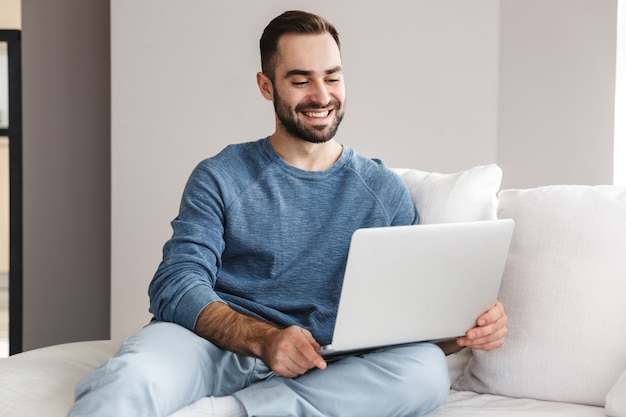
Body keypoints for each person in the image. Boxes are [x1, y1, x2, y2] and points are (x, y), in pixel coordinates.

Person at [68, 10, 508, 417]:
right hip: (218, 343)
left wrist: (462, 332)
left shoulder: (382, 191)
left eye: (332, 78)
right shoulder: (222, 174)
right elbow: (174, 284)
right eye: (301, 81)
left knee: (425, 372)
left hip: (327, 364)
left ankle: (236, 411)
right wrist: (266, 339)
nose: (321, 96)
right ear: (266, 86)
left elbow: (403, 323)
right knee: (129, 379)